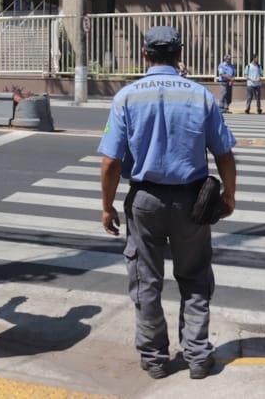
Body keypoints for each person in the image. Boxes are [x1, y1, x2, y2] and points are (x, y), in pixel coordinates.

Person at [98, 26, 237, 381]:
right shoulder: (200, 95)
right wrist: (229, 195)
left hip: (145, 201)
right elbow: (224, 153)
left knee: (146, 280)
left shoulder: (127, 98)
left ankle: (155, 358)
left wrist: (107, 206)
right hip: (193, 202)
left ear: (145, 55)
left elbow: (111, 162)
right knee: (194, 277)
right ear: (179, 54)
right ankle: (198, 356)